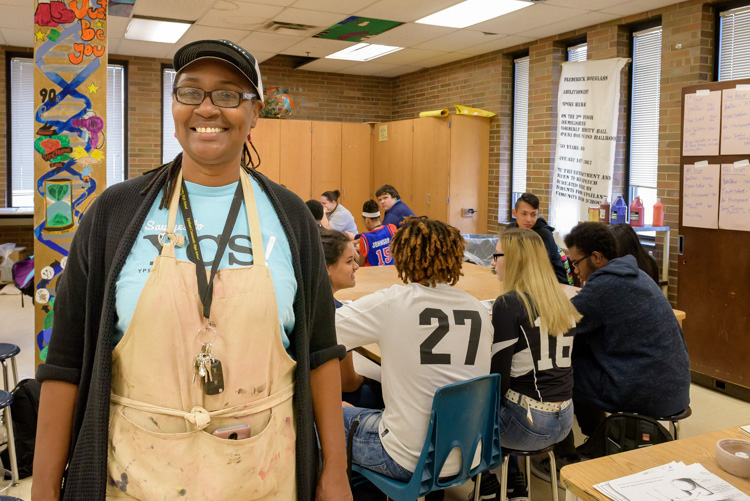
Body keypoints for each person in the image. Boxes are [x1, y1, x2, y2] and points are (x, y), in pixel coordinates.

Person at [33, 39, 352, 500]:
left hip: (265, 472)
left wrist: (335, 473)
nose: (207, 108)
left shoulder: (290, 218)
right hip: (137, 475)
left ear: (255, 112)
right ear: (174, 106)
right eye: (190, 92)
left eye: (227, 94)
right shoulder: (116, 213)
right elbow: (64, 363)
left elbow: (322, 353)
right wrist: (44, 487)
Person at [336, 217, 492, 482]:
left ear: (403, 258)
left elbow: (323, 333)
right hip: (469, 455)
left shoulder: (393, 303)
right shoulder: (479, 309)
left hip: (407, 459)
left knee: (319, 418)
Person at [535, 222, 690, 482]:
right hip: (675, 388)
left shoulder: (603, 287)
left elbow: (555, 325)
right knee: (581, 355)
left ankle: (569, 457)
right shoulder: (636, 275)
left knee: (559, 366)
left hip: (649, 393)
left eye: (576, 263)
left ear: (596, 257)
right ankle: (599, 441)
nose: (574, 270)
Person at [476, 228, 581, 501]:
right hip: (565, 420)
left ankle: (487, 484)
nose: (492, 262)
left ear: (514, 260)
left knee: (466, 412)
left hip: (529, 425)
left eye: (496, 255)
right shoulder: (562, 300)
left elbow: (498, 381)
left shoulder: (508, 303)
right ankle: (513, 482)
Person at [319, 228, 383, 410]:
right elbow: (348, 383)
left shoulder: (306, 301)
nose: (356, 266)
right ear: (327, 268)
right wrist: (371, 380)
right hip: (333, 397)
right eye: (349, 261)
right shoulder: (336, 312)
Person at [509, 193, 572, 285]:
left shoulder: (543, 235)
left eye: (533, 215)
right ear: (514, 213)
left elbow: (534, 268)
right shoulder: (510, 230)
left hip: (553, 284)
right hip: (523, 281)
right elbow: (501, 254)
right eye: (524, 214)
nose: (528, 219)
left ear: (538, 214)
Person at [356, 199, 397, 267]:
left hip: (373, 275)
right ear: (380, 217)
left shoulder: (365, 237)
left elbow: (361, 265)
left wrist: (352, 249)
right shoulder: (392, 228)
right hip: (392, 272)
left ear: (367, 220)